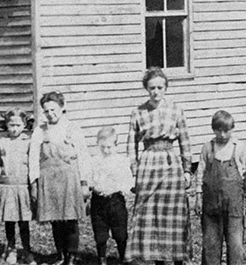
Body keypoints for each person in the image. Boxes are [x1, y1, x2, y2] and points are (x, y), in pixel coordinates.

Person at [127, 67, 192, 265]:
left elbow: (185, 141)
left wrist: (188, 170)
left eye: (160, 87)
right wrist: (134, 172)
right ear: (146, 88)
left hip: (170, 164)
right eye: (152, 87)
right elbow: (131, 145)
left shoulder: (176, 109)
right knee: (150, 214)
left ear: (166, 88)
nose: (156, 91)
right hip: (148, 165)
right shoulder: (138, 112)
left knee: (173, 214)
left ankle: (177, 257)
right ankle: (158, 259)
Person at [30, 91, 89, 265]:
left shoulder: (73, 129)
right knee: (55, 219)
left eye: (54, 110)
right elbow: (33, 158)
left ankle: (71, 256)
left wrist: (84, 182)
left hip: (69, 179)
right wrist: (34, 182)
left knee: (70, 219)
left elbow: (84, 157)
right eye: (46, 111)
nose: (50, 114)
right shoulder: (40, 131)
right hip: (48, 179)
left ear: (62, 108)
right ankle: (60, 254)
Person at [194, 110, 246, 265]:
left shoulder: (239, 147)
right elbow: (200, 172)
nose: (223, 134)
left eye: (226, 130)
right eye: (219, 130)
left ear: (232, 129)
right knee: (211, 244)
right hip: (211, 205)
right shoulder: (208, 148)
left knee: (235, 245)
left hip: (234, 205)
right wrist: (198, 196)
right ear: (213, 129)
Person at [0, 109, 35, 265]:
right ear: (6, 126)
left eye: (18, 125)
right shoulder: (2, 142)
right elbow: (0, 162)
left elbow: (32, 164)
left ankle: (27, 250)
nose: (14, 128)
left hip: (22, 185)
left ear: (24, 125)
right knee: (9, 220)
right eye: (11, 125)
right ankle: (11, 248)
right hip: (8, 185)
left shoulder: (29, 142)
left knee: (24, 221)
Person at [87, 126, 134, 265]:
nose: (106, 150)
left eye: (109, 147)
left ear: (116, 145)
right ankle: (102, 259)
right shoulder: (94, 161)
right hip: (98, 201)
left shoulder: (121, 161)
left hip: (115, 201)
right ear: (98, 145)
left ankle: (123, 258)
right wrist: (94, 188)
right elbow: (89, 179)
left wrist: (118, 187)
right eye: (102, 147)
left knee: (120, 233)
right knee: (100, 233)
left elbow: (127, 182)